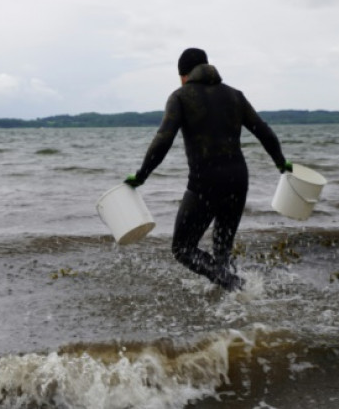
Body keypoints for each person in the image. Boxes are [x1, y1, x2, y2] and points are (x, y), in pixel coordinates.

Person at [125, 48, 292, 291]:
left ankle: (234, 284)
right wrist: (280, 162)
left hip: (205, 182)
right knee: (222, 249)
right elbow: (263, 131)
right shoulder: (235, 95)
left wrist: (142, 175)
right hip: (238, 180)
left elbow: (163, 139)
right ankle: (235, 295)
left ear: (183, 75)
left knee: (182, 248)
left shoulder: (180, 96)